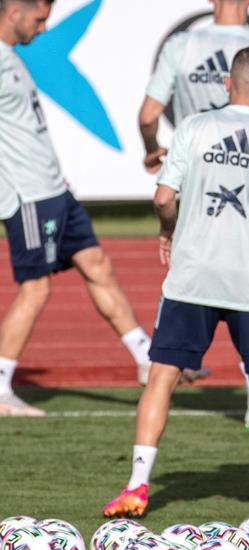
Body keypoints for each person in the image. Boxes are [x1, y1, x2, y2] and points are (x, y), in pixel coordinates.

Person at [103, 47, 249, 519]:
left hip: (193, 276)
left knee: (162, 378)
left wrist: (168, 229)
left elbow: (162, 197)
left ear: (226, 85)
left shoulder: (194, 128)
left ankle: (136, 486)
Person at [138, 0, 249, 426]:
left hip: (200, 189)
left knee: (202, 294)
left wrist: (153, 151)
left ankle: (140, 473)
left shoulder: (181, 45)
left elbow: (148, 116)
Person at [0, 0, 155, 416]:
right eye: (39, 17)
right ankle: (0, 387)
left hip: (55, 190)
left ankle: (147, 359)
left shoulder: (11, 57)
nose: (45, 27)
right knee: (37, 287)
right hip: (28, 196)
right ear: (14, 11)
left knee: (97, 263)